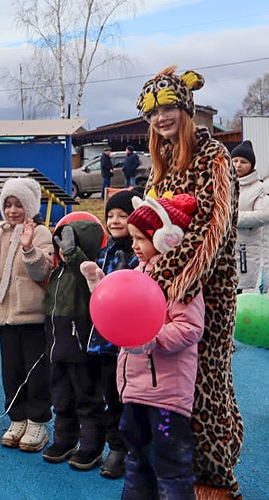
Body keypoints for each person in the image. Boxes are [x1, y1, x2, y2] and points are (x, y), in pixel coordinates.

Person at [136, 65, 242, 498]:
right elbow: (148, 227)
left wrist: (164, 279)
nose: (160, 118)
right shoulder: (158, 167)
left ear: (186, 107)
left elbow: (213, 229)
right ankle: (177, 472)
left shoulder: (214, 156)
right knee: (172, 387)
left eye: (167, 108)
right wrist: (144, 278)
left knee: (207, 383)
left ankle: (217, 478)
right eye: (151, 112)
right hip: (160, 292)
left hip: (206, 292)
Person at [83, 193, 202, 499]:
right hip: (135, 389)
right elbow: (118, 313)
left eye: (140, 238)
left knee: (170, 461)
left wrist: (152, 339)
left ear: (165, 239)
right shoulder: (138, 272)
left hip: (166, 394)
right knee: (136, 456)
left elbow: (189, 328)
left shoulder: (181, 280)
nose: (133, 245)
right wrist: (99, 287)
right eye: (132, 237)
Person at [0, 177, 53, 453]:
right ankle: (17, 417)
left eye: (19, 205)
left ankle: (37, 421)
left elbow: (43, 271)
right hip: (6, 320)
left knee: (36, 373)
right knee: (12, 373)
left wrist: (28, 247)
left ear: (29, 206)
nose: (13, 210)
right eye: (8, 204)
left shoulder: (40, 233)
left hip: (32, 318)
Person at [32, 218, 107, 470]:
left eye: (70, 245)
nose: (63, 251)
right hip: (57, 347)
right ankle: (65, 440)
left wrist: (76, 255)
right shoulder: (58, 272)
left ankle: (91, 446)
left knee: (87, 399)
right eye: (61, 245)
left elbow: (91, 293)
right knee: (61, 398)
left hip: (81, 350)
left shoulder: (87, 273)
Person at [87, 189, 140, 479]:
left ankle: (128, 449)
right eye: (111, 215)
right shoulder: (104, 253)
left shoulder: (137, 254)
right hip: (102, 341)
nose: (116, 220)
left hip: (126, 342)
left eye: (123, 215)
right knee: (107, 394)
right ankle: (114, 446)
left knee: (125, 398)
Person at [231, 140, 268, 293]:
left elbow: (263, 215)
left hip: (245, 249)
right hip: (224, 247)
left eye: (243, 162)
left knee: (240, 293)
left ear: (251, 165)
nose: (238, 165)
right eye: (235, 161)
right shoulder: (223, 184)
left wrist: (232, 218)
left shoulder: (259, 188)